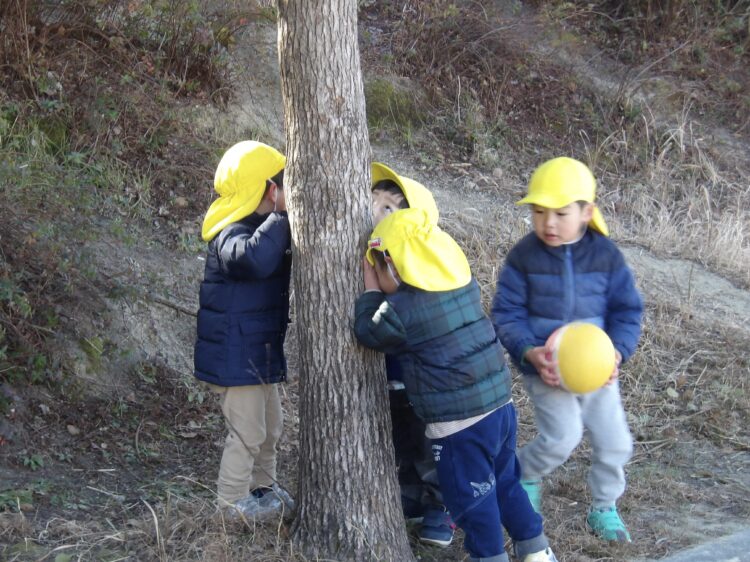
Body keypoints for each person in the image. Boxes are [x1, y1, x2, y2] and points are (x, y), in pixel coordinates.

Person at [354, 208, 558, 562]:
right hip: (500, 408)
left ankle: (489, 556)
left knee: (473, 499)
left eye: (378, 266)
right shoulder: (462, 286)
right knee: (505, 481)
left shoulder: (402, 310)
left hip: (460, 427)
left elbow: (368, 331)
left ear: (394, 264)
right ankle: (536, 549)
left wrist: (371, 292)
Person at [491, 156, 643, 542]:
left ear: (586, 212)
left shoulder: (606, 255)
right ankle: (524, 475)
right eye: (539, 212)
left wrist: (617, 353)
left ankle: (604, 506)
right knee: (562, 438)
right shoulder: (524, 256)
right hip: (548, 370)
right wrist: (529, 351)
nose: (548, 223)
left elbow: (627, 311)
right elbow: (507, 314)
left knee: (616, 441)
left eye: (561, 213)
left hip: (598, 372)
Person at [194, 140, 294, 520]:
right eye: (285, 187)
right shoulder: (228, 232)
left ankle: (263, 488)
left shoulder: (259, 229)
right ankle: (231, 502)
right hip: (235, 355)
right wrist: (282, 218)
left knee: (271, 427)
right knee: (247, 432)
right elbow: (253, 259)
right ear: (270, 190)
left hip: (257, 351)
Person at [370, 162, 455, 547]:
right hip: (392, 376)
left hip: (425, 380)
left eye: (388, 208)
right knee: (401, 438)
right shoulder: (371, 254)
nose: (375, 213)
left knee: (429, 444)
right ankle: (411, 496)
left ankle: (441, 506)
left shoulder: (421, 270)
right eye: (372, 203)